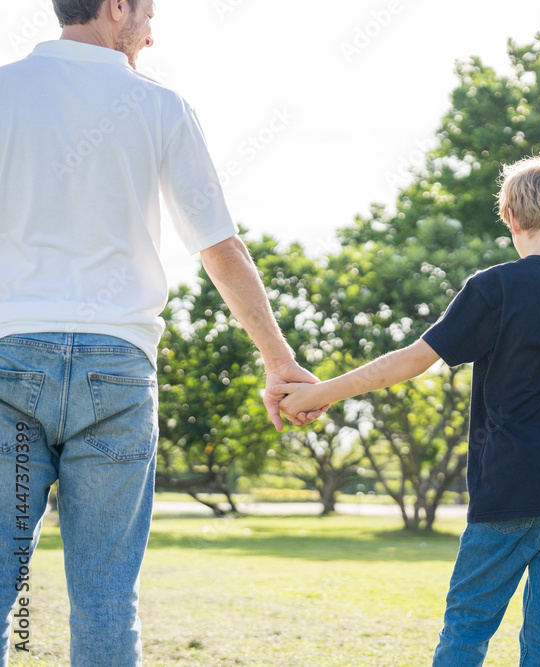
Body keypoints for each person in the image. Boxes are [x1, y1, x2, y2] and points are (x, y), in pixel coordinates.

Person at [0, 1, 322, 664]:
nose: (152, 29)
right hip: (115, 371)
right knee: (108, 600)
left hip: (11, 360)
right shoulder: (159, 104)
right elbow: (219, 247)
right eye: (147, 12)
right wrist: (278, 360)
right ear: (117, 7)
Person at [272, 150, 540, 667]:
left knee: (467, 629)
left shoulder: (493, 288)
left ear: (510, 217)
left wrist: (320, 391)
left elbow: (414, 360)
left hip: (509, 486)